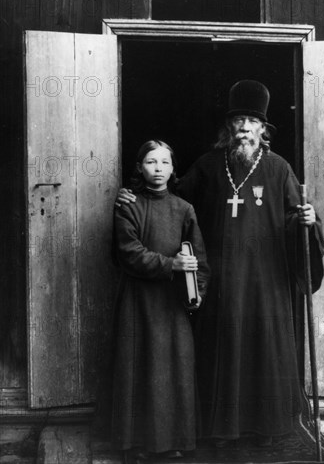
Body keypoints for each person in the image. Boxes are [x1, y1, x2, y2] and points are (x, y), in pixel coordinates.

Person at [117, 81, 324, 448]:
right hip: (223, 280)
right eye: (239, 120)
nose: (244, 127)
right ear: (229, 128)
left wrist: (307, 220)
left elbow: (295, 217)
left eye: (252, 121)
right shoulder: (209, 165)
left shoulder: (278, 169)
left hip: (267, 281)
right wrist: (132, 195)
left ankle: (268, 428)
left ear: (263, 129)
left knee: (264, 346)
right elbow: (168, 200)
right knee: (221, 346)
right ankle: (221, 430)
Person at [112, 140, 210, 463]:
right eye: (151, 162)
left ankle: (174, 440)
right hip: (138, 303)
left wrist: (195, 295)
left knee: (174, 368)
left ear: (173, 169)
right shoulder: (128, 206)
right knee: (140, 367)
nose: (158, 169)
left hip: (172, 304)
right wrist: (171, 265)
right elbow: (128, 252)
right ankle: (137, 442)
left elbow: (199, 262)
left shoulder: (184, 209)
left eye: (165, 163)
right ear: (140, 167)